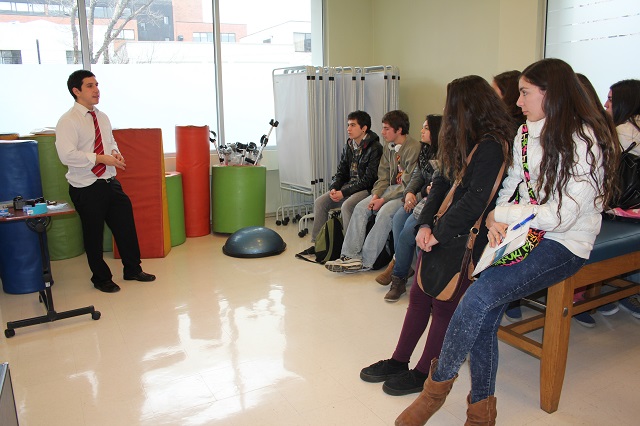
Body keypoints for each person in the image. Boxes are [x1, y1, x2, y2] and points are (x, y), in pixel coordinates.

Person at [394, 58, 619, 426]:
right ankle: (482, 413)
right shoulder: (527, 132)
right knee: (484, 316)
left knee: (476, 299)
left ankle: (434, 393)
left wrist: (504, 213)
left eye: (525, 93)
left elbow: (559, 217)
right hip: (522, 233)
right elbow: (512, 182)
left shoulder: (584, 142)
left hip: (564, 243)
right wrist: (497, 216)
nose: (518, 102)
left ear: (551, 94)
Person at [360, 76, 512, 398]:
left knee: (444, 304)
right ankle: (399, 361)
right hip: (443, 230)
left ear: (466, 107)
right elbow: (441, 183)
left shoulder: (492, 146)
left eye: (450, 104)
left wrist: (437, 233)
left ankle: (423, 372)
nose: (446, 111)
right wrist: (425, 226)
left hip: (468, 236)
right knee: (419, 295)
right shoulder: (462, 140)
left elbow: (475, 201)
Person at [55, 70, 155, 293]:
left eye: (97, 85)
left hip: (109, 181)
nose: (96, 90)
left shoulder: (102, 117)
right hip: (85, 186)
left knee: (125, 227)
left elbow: (110, 142)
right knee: (93, 235)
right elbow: (66, 155)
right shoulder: (68, 121)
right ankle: (101, 278)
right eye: (90, 86)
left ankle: (132, 269)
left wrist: (115, 153)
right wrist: (100, 158)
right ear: (76, 91)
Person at [325, 110, 421, 273]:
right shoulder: (389, 148)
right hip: (388, 190)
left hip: (405, 193)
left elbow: (407, 184)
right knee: (361, 208)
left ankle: (366, 261)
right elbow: (382, 176)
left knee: (384, 214)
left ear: (399, 130)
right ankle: (349, 256)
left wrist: (382, 200)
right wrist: (375, 196)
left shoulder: (413, 148)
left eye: (386, 129)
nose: (382, 132)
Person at [376, 114, 442, 302]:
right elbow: (417, 177)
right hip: (421, 197)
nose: (422, 131)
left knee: (407, 233)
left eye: (426, 128)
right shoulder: (425, 150)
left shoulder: (445, 154)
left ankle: (398, 277)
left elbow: (438, 187)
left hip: (433, 202)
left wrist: (419, 193)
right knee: (398, 218)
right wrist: (409, 193)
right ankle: (402, 264)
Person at [300, 111, 382, 255]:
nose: (348, 129)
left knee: (347, 206)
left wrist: (343, 192)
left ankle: (348, 249)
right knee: (320, 202)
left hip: (366, 189)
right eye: (348, 125)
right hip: (348, 187)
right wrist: (334, 187)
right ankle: (319, 244)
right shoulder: (349, 145)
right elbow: (341, 172)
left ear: (364, 128)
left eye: (353, 125)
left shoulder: (375, 148)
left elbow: (369, 180)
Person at [602, 78, 640, 318]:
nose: (605, 104)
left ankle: (620, 293)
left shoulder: (623, 131)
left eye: (611, 99)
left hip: (624, 205)